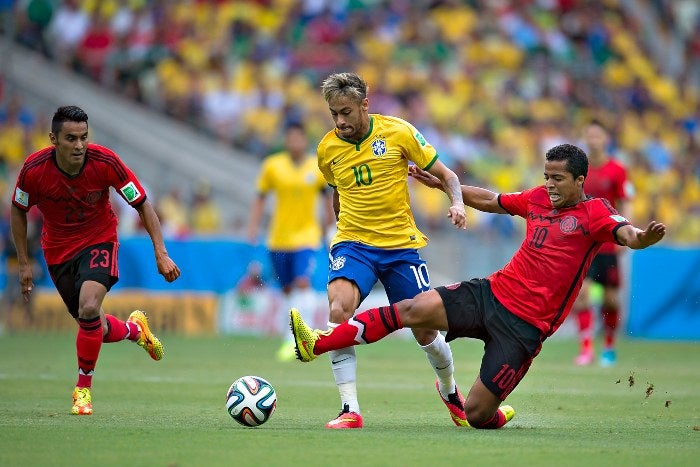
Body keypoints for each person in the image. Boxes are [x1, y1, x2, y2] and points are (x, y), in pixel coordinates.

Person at [290, 143, 665, 429]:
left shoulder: (594, 212)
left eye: (558, 179)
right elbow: (490, 199)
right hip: (491, 293)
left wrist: (642, 238)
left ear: (580, 180)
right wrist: (445, 186)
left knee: (476, 414)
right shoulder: (536, 198)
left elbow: (627, 233)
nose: (548, 185)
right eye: (546, 176)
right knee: (413, 309)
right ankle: (316, 344)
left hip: (525, 329)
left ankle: (488, 408)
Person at [313, 72, 468, 429]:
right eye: (334, 113)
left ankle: (450, 393)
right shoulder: (327, 149)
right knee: (338, 309)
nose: (340, 121)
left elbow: (448, 175)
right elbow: (338, 190)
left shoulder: (398, 132)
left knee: (426, 332)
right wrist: (335, 233)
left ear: (365, 105)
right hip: (354, 243)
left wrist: (457, 204)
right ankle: (349, 409)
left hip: (400, 248)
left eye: (346, 112)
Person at [10, 105, 180, 415]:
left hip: (99, 239)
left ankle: (82, 391)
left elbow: (142, 204)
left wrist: (161, 253)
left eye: (84, 138)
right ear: (53, 139)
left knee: (89, 305)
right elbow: (18, 210)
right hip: (57, 251)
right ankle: (134, 330)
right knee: (94, 326)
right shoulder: (34, 170)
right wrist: (24, 262)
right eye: (71, 138)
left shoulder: (106, 162)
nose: (78, 146)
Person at [247, 122, 334, 361]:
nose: (295, 142)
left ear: (304, 140)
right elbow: (260, 198)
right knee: (287, 289)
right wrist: (253, 227)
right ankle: (295, 333)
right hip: (278, 239)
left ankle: (294, 341)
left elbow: (327, 199)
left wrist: (331, 229)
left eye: (299, 138)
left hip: (307, 237)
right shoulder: (273, 166)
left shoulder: (316, 167)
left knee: (303, 283)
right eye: (291, 138)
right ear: (286, 140)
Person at [572, 120, 634, 367]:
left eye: (598, 135)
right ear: (585, 139)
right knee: (582, 294)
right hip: (585, 242)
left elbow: (625, 200)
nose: (593, 140)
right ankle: (586, 349)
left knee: (610, 300)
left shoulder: (617, 170)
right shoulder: (579, 170)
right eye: (589, 135)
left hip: (609, 242)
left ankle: (609, 347)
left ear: (605, 139)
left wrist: (626, 232)